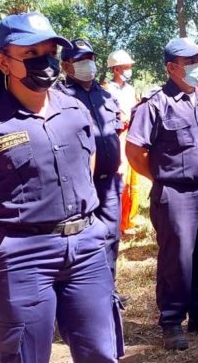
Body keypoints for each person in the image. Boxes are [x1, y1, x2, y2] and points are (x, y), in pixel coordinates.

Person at [0, 12, 123, 362]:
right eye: (32, 53)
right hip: (22, 255)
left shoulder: (75, 109)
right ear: (4, 61)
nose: (45, 62)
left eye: (50, 51)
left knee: (101, 351)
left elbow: (88, 165)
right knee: (23, 356)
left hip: (86, 248)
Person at [126, 38, 198, 350]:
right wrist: (161, 178)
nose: (197, 67)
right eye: (189, 63)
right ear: (172, 67)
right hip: (175, 192)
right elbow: (134, 152)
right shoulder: (155, 104)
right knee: (177, 259)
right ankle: (172, 320)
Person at [58, 39, 125, 277]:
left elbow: (116, 131)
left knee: (111, 235)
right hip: (78, 186)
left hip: (109, 183)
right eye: (81, 60)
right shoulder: (58, 98)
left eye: (91, 59)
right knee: (84, 240)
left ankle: (109, 290)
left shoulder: (105, 95)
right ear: (66, 66)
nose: (89, 64)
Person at [106, 49, 141, 234]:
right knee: (120, 175)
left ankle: (130, 218)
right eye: (126, 67)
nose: (129, 70)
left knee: (133, 178)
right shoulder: (107, 89)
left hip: (132, 134)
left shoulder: (130, 89)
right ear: (117, 69)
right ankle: (118, 222)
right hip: (117, 134)